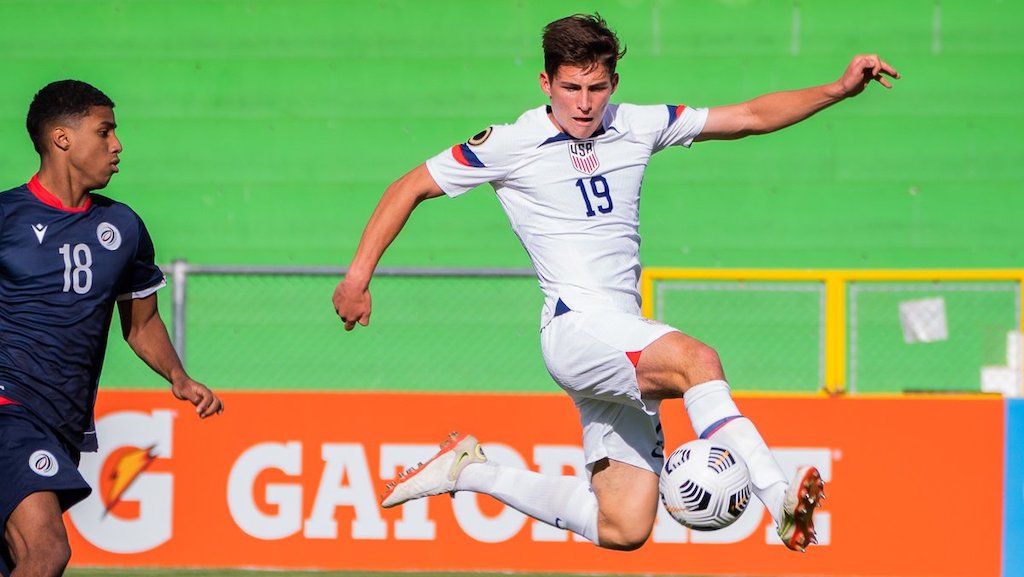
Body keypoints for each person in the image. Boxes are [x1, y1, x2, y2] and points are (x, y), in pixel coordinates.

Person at [333, 13, 897, 553]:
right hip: (576, 329)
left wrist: (838, 90)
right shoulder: (509, 143)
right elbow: (409, 185)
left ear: (613, 82)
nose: (583, 103)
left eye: (596, 88)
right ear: (546, 81)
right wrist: (358, 276)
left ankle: (471, 470)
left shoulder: (638, 124)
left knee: (624, 525)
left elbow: (748, 116)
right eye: (571, 87)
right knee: (698, 360)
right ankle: (779, 501)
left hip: (621, 334)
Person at [0, 80, 224, 577]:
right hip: (8, 411)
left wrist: (178, 377)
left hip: (60, 422)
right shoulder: (6, 218)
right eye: (105, 132)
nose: (117, 145)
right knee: (47, 552)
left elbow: (140, 324)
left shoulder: (123, 228)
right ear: (62, 138)